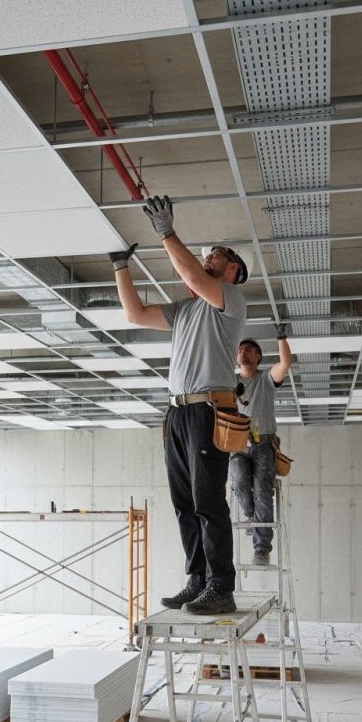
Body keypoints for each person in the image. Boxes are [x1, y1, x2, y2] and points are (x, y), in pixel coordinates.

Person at [108, 195, 249, 615]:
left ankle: (221, 586)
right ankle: (198, 579)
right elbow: (134, 314)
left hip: (208, 411)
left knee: (208, 501)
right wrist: (120, 265)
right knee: (184, 503)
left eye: (218, 256)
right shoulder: (186, 309)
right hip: (178, 413)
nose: (210, 258)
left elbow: (189, 270)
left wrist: (166, 231)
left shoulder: (230, 301)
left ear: (233, 272)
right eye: (210, 255)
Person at [230, 328, 292, 565]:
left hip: (263, 443)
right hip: (238, 445)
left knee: (262, 490)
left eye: (248, 350)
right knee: (239, 481)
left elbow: (285, 363)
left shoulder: (265, 379)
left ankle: (262, 548)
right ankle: (253, 518)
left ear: (258, 357)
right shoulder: (231, 382)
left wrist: (281, 336)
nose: (243, 353)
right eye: (240, 350)